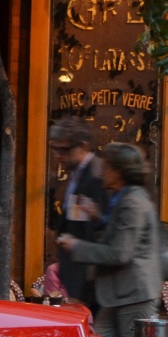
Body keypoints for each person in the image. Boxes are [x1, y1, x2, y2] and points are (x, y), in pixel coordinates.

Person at [56, 142, 161, 337]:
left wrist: (77, 246)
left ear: (117, 169)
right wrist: (99, 217)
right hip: (116, 294)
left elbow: (120, 253)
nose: (101, 169)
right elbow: (120, 238)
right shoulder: (123, 199)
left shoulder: (133, 202)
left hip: (133, 295)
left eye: (106, 165)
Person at [48, 117, 107, 306]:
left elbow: (96, 233)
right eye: (55, 148)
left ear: (83, 146)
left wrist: (83, 288)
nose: (58, 155)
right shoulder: (76, 174)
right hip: (78, 279)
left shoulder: (97, 176)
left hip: (91, 283)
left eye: (64, 149)